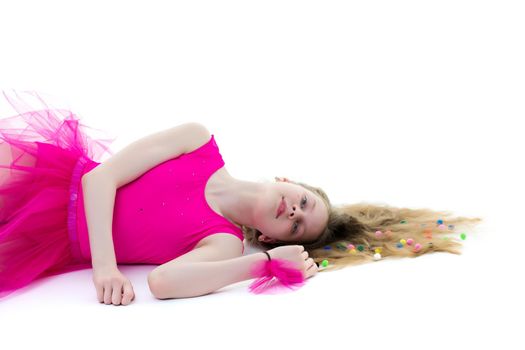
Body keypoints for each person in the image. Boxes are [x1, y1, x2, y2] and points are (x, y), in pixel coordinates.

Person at [0, 90, 483, 305]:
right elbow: (97, 181)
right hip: (49, 180)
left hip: (49, 240)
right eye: (303, 203)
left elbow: (164, 284)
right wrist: (106, 269)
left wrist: (263, 267)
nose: (293, 212)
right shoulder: (197, 140)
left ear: (268, 237)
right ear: (288, 179)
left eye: (295, 226)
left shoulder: (223, 243)